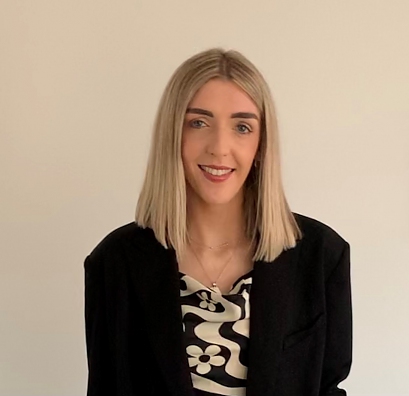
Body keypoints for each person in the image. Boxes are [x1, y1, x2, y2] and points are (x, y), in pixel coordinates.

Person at [84, 48, 352, 396]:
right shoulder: (115, 262)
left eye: (242, 127)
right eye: (199, 123)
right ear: (172, 136)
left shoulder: (320, 255)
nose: (220, 147)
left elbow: (329, 387)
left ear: (261, 144)